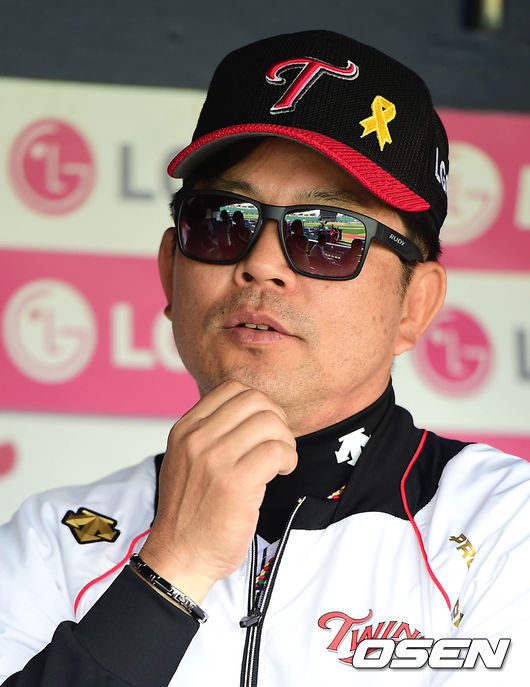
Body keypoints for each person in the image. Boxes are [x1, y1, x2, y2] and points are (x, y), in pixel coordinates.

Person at [1, 29, 528, 687]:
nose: (261, 263)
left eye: (328, 235)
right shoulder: (52, 540)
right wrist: (172, 567)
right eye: (222, 219)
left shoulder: (505, 524)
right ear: (170, 272)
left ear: (414, 305)